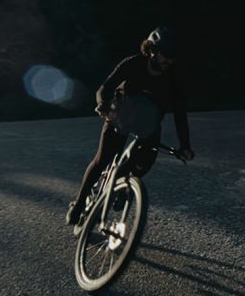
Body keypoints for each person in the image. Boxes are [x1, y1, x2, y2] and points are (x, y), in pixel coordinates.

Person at [66, 27, 195, 227]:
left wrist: (185, 146)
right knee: (102, 160)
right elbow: (105, 88)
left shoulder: (173, 78)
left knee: (144, 162)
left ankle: (124, 185)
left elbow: (180, 114)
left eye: (173, 57)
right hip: (120, 117)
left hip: (148, 125)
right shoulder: (133, 63)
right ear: (152, 50)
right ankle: (80, 203)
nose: (169, 61)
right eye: (166, 54)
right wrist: (103, 105)